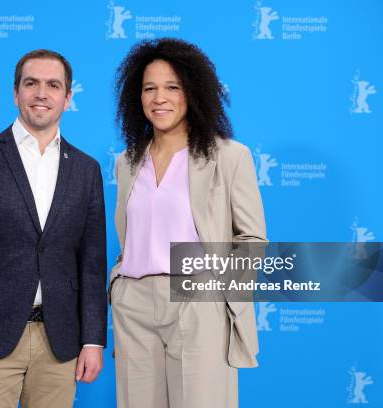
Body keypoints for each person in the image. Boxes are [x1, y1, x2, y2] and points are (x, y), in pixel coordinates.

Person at [0, 49, 107, 408]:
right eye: (31, 84)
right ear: (15, 93)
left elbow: (92, 264)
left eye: (53, 85)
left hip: (60, 343)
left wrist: (94, 340)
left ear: (68, 97)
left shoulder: (86, 169)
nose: (41, 93)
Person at [109, 38, 267, 408]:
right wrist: (120, 286)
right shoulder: (126, 162)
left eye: (172, 87)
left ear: (192, 92)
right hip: (133, 302)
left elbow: (252, 238)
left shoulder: (229, 156)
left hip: (196, 298)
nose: (159, 98)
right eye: (149, 88)